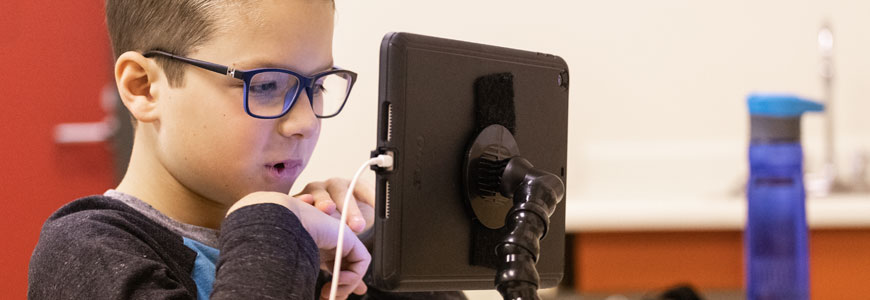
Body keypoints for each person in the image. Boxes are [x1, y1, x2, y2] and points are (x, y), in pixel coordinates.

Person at [27, 1, 464, 299]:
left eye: (318, 85)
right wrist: (273, 228)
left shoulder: (297, 250)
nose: (305, 122)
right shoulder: (85, 250)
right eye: (267, 85)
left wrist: (384, 256)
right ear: (143, 88)